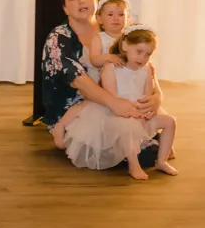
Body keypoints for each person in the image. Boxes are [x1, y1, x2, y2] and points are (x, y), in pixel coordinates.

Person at [40, 0, 163, 165]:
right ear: (65, 8)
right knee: (125, 149)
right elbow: (80, 81)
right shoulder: (59, 38)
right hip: (81, 106)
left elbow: (144, 63)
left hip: (119, 96)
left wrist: (157, 96)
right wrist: (115, 103)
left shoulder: (115, 27)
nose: (81, 1)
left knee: (147, 130)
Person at [63, 25, 178, 180]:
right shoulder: (112, 68)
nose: (142, 58)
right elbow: (113, 99)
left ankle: (161, 161)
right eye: (139, 52)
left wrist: (145, 109)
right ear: (124, 46)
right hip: (115, 113)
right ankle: (133, 164)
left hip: (138, 111)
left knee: (170, 121)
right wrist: (132, 112)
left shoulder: (147, 69)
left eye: (147, 54)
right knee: (128, 126)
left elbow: (147, 94)